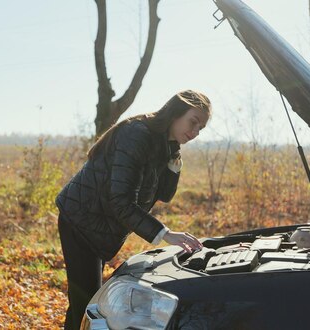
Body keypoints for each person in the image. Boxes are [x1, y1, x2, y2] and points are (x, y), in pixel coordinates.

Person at [55, 90, 211, 329]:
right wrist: (165, 234)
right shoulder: (137, 134)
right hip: (80, 219)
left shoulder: (165, 144)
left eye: (200, 128)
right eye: (193, 122)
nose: (195, 132)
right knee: (86, 301)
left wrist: (173, 165)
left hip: (99, 223)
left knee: (82, 301)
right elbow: (121, 201)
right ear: (176, 112)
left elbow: (164, 195)